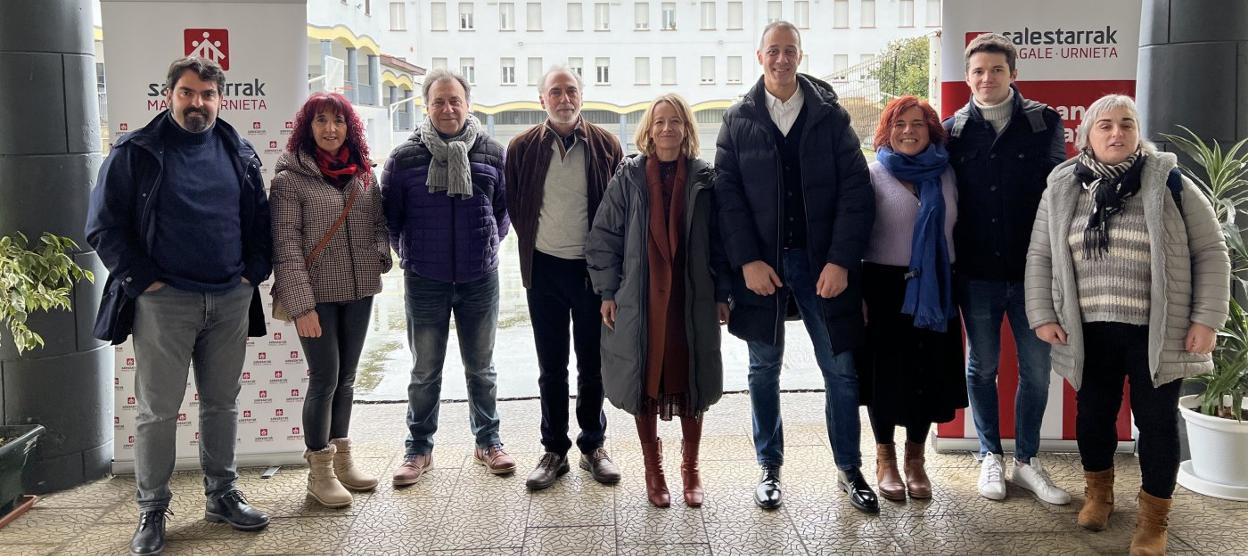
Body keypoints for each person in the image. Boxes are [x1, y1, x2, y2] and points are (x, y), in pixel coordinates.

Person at [1025, 94, 1229, 555]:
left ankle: (1154, 521)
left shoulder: (1170, 180)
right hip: (1088, 330)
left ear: (1138, 133)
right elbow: (1040, 254)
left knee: (1156, 423)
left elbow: (1211, 251)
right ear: (1086, 136)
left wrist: (1206, 318)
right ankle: (1099, 495)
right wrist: (1043, 314)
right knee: (1093, 416)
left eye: (1126, 124)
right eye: (1105, 125)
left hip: (1159, 330)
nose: (1117, 133)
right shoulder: (1062, 185)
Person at [85, 56, 272, 555]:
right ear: (168, 95)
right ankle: (152, 509)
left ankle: (222, 495)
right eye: (187, 93)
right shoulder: (136, 151)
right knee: (158, 412)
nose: (197, 103)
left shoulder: (240, 150)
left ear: (220, 100)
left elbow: (260, 219)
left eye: (207, 95)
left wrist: (254, 271)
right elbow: (103, 225)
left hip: (230, 298)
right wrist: (143, 280)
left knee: (221, 403)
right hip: (164, 302)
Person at [715, 21, 878, 513]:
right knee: (763, 369)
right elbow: (727, 197)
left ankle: (849, 468)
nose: (781, 59)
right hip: (762, 267)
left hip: (821, 264)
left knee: (840, 369)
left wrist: (841, 261)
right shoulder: (738, 119)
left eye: (790, 50)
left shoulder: (830, 116)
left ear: (800, 56)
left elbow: (856, 191)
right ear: (759, 56)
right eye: (773, 51)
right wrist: (747, 261)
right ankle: (769, 466)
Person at [943, 32, 1070, 504]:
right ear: (967, 77)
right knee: (982, 367)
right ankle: (989, 455)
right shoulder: (952, 130)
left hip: (1033, 271)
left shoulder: (1043, 121)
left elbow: (1058, 193)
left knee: (1036, 370)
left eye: (996, 69)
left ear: (1013, 74)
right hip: (976, 273)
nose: (987, 78)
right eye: (978, 71)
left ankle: (1028, 461)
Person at [586, 93, 729, 508]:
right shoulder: (628, 177)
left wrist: (723, 294)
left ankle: (691, 469)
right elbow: (604, 237)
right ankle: (654, 470)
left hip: (690, 297)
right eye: (660, 121)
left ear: (687, 129)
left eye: (675, 121)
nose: (667, 128)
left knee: (692, 378)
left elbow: (721, 243)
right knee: (643, 378)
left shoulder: (705, 178)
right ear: (648, 129)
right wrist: (608, 291)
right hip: (640, 298)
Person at [382, 68, 513, 486]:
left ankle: (488, 441)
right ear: (427, 106)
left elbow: (503, 214)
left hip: (480, 279)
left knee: (482, 369)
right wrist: (415, 255)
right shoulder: (404, 158)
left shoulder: (492, 152)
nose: (447, 108)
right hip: (425, 279)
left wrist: (484, 248)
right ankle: (418, 448)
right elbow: (391, 221)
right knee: (424, 371)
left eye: (455, 100)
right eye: (438, 101)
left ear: (467, 104)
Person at [505, 66, 624, 491]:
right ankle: (554, 450)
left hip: (591, 272)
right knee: (551, 367)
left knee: (593, 365)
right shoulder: (521, 148)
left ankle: (593, 446)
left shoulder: (606, 145)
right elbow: (515, 205)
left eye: (571, 90)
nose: (564, 98)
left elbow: (618, 212)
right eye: (555, 92)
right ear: (542, 100)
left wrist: (611, 274)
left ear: (582, 96)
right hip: (544, 271)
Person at [271, 92, 391, 508]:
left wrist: (379, 256)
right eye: (321, 120)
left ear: (349, 127)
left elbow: (379, 225)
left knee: (348, 378)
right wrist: (301, 306)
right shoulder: (290, 179)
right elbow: (285, 246)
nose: (330, 129)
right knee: (324, 378)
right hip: (316, 296)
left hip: (359, 291)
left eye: (338, 121)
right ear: (308, 127)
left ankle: (342, 460)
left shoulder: (364, 174)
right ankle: (319, 473)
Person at [857, 96, 968, 502]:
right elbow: (854, 236)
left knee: (927, 374)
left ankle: (915, 460)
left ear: (931, 130)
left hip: (936, 286)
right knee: (884, 376)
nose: (908, 131)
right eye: (899, 123)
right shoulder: (872, 174)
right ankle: (885, 458)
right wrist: (856, 294)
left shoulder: (948, 174)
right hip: (884, 287)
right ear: (887, 131)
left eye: (917, 123)